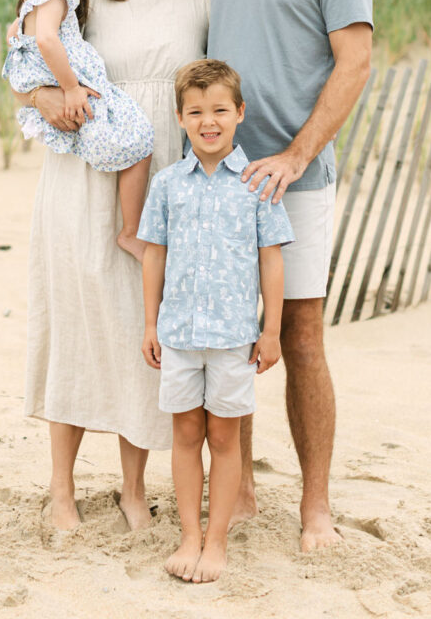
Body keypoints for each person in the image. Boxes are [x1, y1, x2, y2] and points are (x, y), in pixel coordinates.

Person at [12, 0, 209, 531]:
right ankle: (61, 491)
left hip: (157, 176)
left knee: (136, 329)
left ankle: (132, 488)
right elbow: (26, 69)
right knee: (73, 319)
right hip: (81, 172)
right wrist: (47, 98)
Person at [208, 0, 373, 551]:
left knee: (301, 337)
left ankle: (315, 508)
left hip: (295, 182)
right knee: (229, 332)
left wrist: (298, 155)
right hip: (224, 181)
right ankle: (238, 487)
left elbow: (354, 62)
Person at [139, 59, 293, 582]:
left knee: (225, 438)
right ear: (180, 117)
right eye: (197, 111)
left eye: (220, 110)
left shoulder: (257, 184)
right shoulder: (166, 185)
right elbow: (153, 255)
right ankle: (189, 535)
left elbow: (272, 258)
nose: (209, 121)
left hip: (233, 339)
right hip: (179, 334)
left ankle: (217, 541)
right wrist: (149, 325)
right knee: (185, 432)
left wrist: (271, 330)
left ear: (239, 113)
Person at [2, 0, 153, 262]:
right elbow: (47, 39)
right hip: (75, 87)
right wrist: (70, 87)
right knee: (140, 140)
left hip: (62, 84)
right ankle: (131, 231)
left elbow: (15, 36)